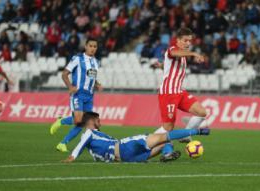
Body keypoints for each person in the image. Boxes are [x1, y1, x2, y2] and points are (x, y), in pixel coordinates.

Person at [62, 112, 210, 163]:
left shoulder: (98, 138)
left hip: (127, 157)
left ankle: (166, 153)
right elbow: (80, 145)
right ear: (91, 121)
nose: (99, 122)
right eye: (97, 120)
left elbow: (92, 149)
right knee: (165, 136)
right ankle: (198, 131)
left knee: (166, 139)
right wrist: (72, 156)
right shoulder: (89, 132)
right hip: (125, 146)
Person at [151, 28, 208, 162]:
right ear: (178, 40)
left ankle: (185, 135)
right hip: (169, 93)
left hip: (179, 92)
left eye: (190, 40)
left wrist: (161, 65)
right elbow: (173, 53)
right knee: (168, 128)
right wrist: (194, 53)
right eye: (185, 40)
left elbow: (170, 65)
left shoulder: (181, 56)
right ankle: (155, 144)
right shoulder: (173, 49)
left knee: (202, 112)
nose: (188, 43)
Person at [50, 38, 103, 152]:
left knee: (82, 123)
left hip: (89, 96)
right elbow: (64, 74)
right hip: (78, 94)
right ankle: (61, 121)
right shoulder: (77, 59)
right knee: (78, 120)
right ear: (86, 46)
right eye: (91, 46)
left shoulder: (96, 62)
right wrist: (70, 87)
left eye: (95, 46)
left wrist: (97, 84)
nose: (93, 48)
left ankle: (62, 144)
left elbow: (91, 78)